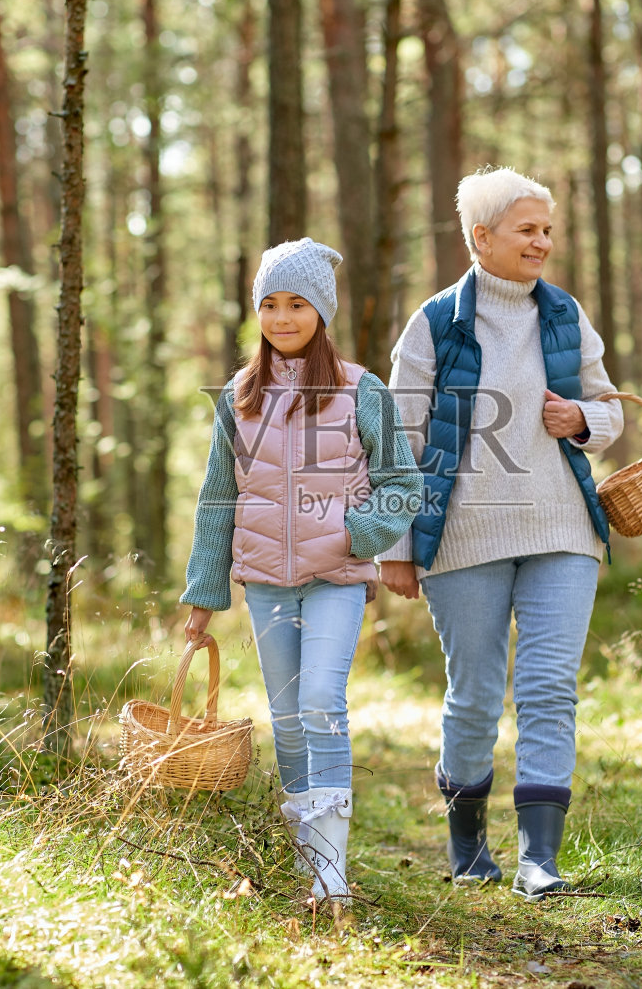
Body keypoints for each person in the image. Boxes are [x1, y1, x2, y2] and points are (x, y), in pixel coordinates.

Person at [378, 168, 624, 899]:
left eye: (548, 229)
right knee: (477, 693)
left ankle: (538, 859)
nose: (543, 242)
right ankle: (468, 848)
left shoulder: (564, 315)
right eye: (528, 230)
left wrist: (582, 420)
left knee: (549, 687)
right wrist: (395, 547)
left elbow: (609, 406)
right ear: (480, 237)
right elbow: (400, 438)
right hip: (462, 536)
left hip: (563, 529)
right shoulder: (433, 324)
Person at [180, 238, 422, 910]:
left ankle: (333, 873)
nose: (282, 317)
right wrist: (205, 591)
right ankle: (311, 863)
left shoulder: (358, 388)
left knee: (320, 700)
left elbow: (403, 482)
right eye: (270, 303)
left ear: (321, 309)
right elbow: (216, 498)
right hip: (265, 583)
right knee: (287, 719)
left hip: (337, 577)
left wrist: (356, 533)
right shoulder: (239, 396)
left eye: (296, 303)